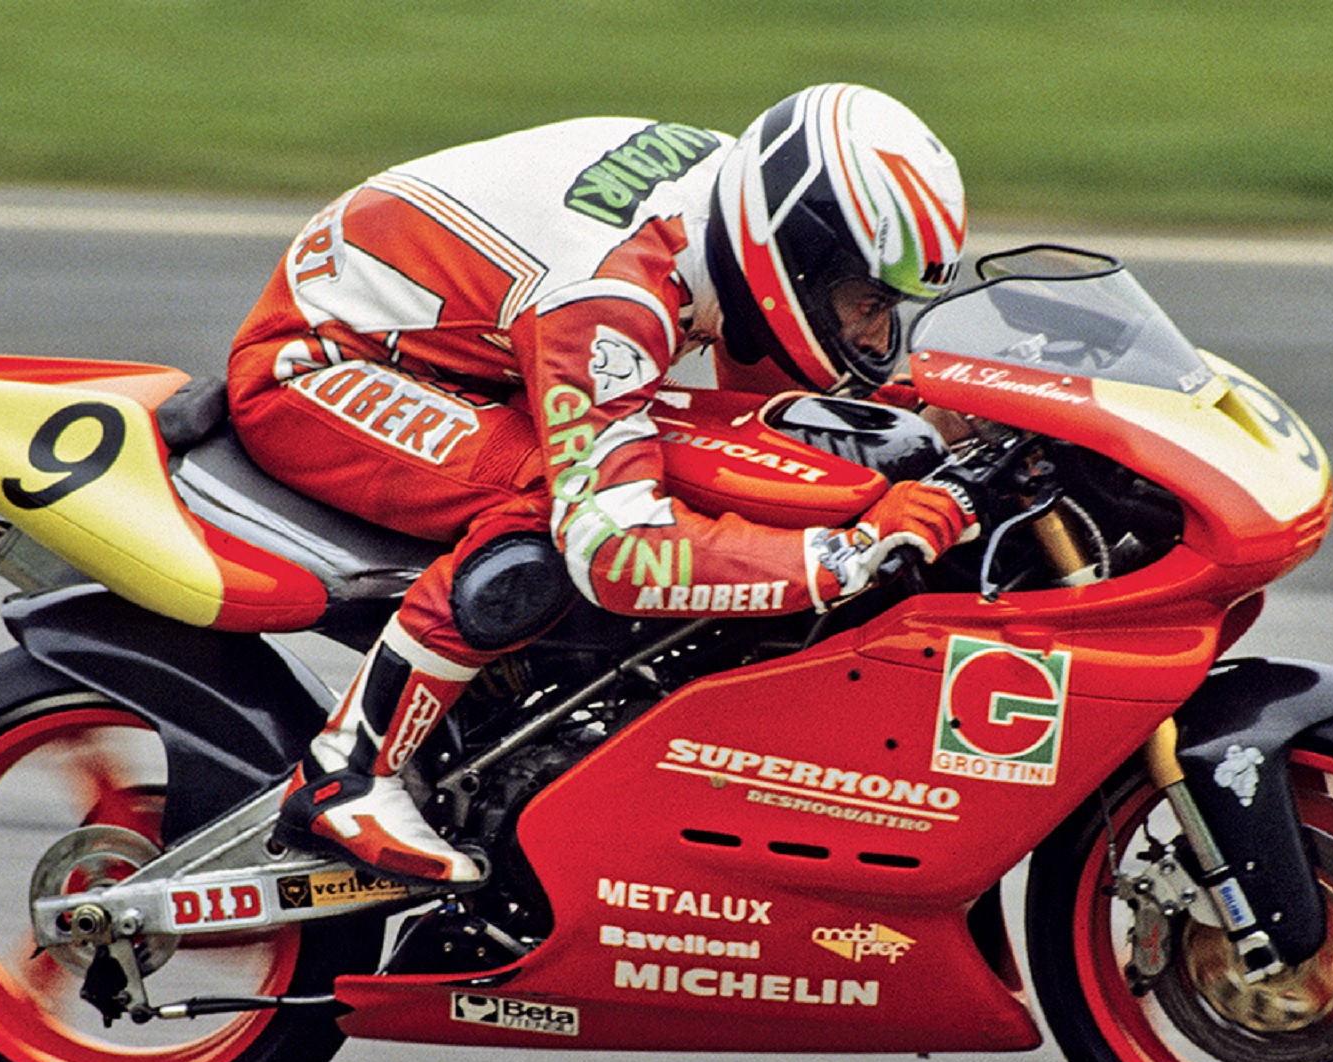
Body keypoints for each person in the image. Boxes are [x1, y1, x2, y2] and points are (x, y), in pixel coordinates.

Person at [226, 83, 977, 885]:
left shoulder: (743, 208)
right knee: (553, 515)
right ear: (799, 255)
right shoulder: (613, 297)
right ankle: (347, 773)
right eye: (867, 302)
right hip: (323, 367)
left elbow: (773, 405)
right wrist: (844, 554)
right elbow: (615, 553)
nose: (877, 333)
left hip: (473, 343)